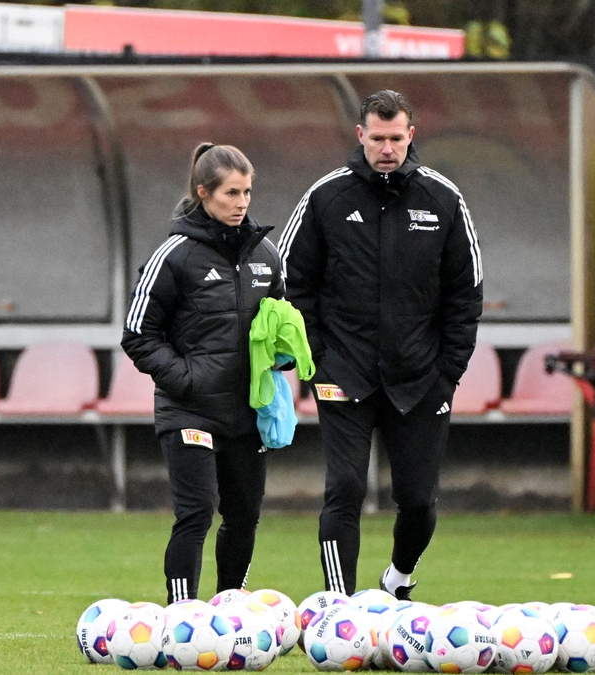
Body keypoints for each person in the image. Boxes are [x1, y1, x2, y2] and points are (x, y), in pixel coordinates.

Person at [279, 90, 484, 598]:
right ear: (360, 136)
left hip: (420, 380)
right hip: (341, 374)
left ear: (410, 136)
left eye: (396, 138)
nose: (387, 148)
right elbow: (290, 285)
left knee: (417, 500)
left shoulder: (443, 199)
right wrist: (316, 361)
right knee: (344, 488)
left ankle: (397, 580)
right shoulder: (325, 197)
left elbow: (467, 293)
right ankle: (338, 607)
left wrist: (447, 373)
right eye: (377, 138)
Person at [122, 143, 284, 604]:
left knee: (244, 516)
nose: (242, 203)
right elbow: (138, 334)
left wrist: (285, 354)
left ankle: (229, 612)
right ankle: (182, 617)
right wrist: (188, 379)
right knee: (195, 514)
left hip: (246, 411)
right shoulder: (173, 256)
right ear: (203, 193)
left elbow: (281, 320)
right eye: (231, 193)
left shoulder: (266, 256)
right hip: (189, 409)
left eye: (248, 192)